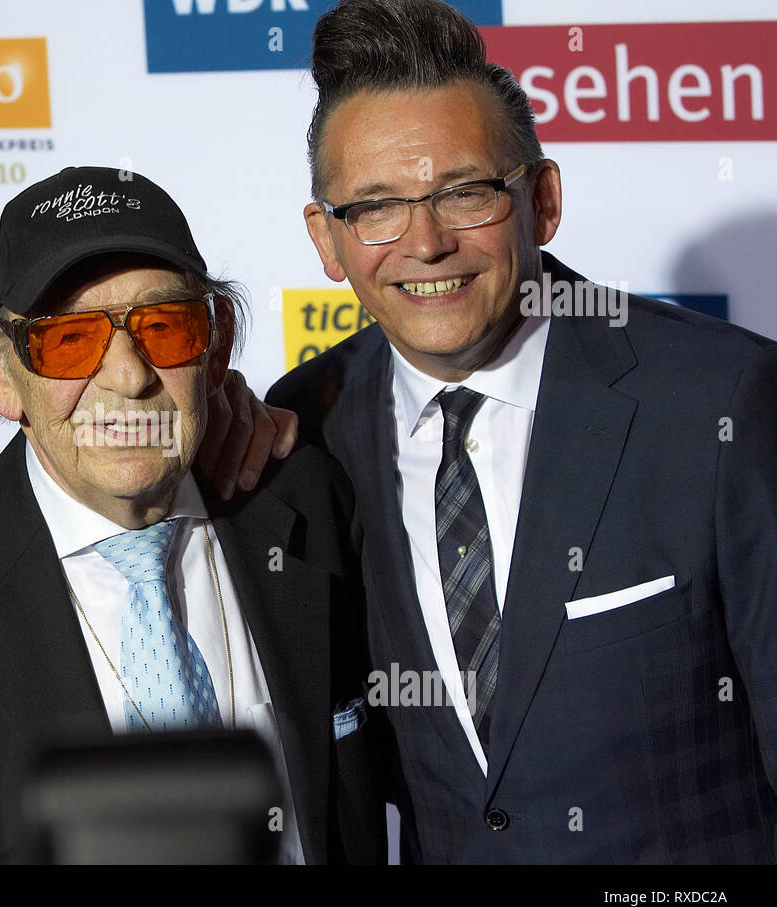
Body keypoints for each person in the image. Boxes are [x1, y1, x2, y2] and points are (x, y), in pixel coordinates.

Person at [268, 0, 777, 863]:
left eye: (464, 193)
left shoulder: (718, 399)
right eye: (377, 208)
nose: (425, 244)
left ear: (540, 199)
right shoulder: (309, 424)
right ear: (328, 238)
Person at [0, 166, 386, 864]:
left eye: (166, 327)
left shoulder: (309, 501)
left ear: (217, 343)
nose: (129, 375)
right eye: (70, 340)